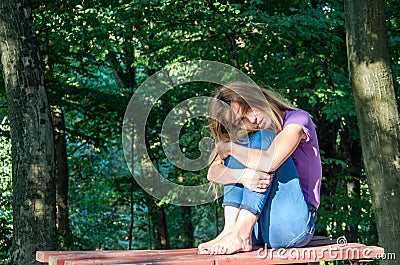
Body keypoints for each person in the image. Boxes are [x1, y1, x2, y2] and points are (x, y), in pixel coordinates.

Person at [198, 82, 322, 255]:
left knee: (263, 138)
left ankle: (240, 234)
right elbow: (213, 173)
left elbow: (269, 162)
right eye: (240, 121)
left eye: (250, 108)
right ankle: (230, 230)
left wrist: (229, 148)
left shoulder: (297, 120)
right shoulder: (245, 136)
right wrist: (242, 176)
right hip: (257, 231)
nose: (252, 119)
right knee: (245, 144)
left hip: (292, 226)